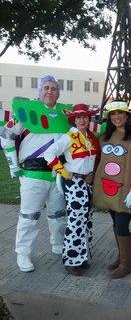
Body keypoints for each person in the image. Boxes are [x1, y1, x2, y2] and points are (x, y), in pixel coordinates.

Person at [0, 76, 66, 272]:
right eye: (46, 88)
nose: (50, 91)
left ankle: (58, 243)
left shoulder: (64, 114)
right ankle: (23, 252)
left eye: (54, 88)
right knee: (29, 216)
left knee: (58, 214)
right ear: (39, 91)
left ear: (58, 93)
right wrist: (13, 165)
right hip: (32, 174)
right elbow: (6, 136)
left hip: (58, 174)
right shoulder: (27, 113)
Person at [93, 100, 131, 279]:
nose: (116, 117)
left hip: (126, 189)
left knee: (121, 225)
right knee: (116, 223)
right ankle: (122, 256)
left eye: (120, 113)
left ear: (127, 115)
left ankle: (126, 264)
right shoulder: (104, 137)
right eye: (113, 114)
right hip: (108, 188)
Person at [44, 103, 100, 276]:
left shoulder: (89, 138)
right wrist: (64, 172)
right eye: (79, 117)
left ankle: (81, 258)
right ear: (74, 120)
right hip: (74, 183)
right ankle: (71, 260)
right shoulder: (69, 137)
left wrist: (91, 174)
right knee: (75, 221)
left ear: (89, 119)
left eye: (85, 117)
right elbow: (49, 154)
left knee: (86, 220)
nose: (82, 120)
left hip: (87, 183)